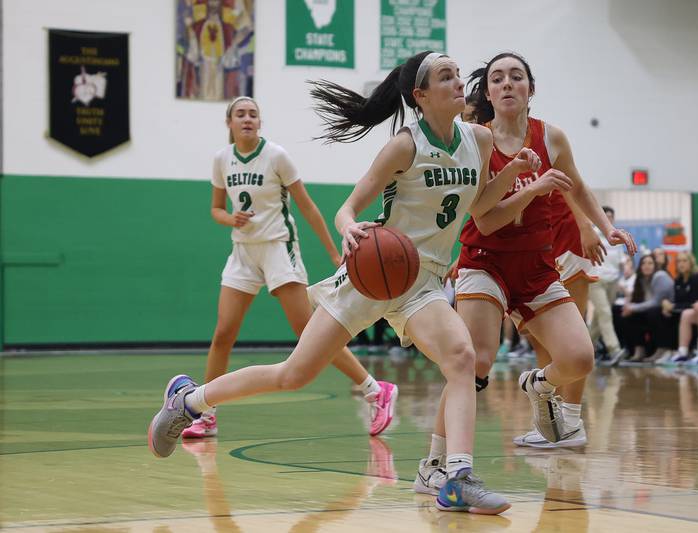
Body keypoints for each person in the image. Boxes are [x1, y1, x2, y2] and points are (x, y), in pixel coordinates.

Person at [148, 51, 524, 515]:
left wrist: (512, 175)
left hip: (423, 281)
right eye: (445, 77)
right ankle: (189, 400)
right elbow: (347, 208)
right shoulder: (404, 146)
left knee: (463, 359)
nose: (458, 82)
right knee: (294, 374)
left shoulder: (479, 140)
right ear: (421, 96)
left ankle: (452, 476)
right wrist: (348, 228)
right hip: (372, 274)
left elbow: (479, 207)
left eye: (458, 74)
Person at [413, 53, 634, 491]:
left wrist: (605, 227)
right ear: (488, 92)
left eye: (517, 77)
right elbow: (485, 219)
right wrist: (534, 187)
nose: (507, 84)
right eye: (497, 78)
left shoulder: (552, 137)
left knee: (579, 358)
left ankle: (538, 384)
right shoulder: (476, 139)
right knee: (475, 361)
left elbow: (577, 185)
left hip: (537, 266)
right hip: (486, 262)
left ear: (531, 89)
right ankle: (434, 463)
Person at [181, 96, 398, 440]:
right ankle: (206, 415)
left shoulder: (276, 156)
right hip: (243, 252)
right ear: (229, 123)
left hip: (279, 248)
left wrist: (333, 253)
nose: (248, 119)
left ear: (259, 122)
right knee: (223, 333)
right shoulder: (222, 159)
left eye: (253, 114)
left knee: (308, 331)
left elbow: (307, 206)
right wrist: (229, 219)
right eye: (241, 114)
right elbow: (216, 209)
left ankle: (375, 389)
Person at [588, 206, 627, 364]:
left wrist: (622, 281)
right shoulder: (592, 233)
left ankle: (586, 348)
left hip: (613, 281)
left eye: (611, 216)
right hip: (596, 280)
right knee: (605, 313)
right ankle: (614, 349)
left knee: (599, 317)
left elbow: (622, 262)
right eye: (606, 216)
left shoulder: (616, 236)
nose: (609, 219)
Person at [620, 254, 675, 363]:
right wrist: (630, 307)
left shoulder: (660, 276)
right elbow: (640, 302)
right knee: (628, 315)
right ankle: (638, 350)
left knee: (651, 313)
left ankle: (662, 349)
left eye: (650, 263)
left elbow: (656, 302)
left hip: (669, 311)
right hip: (653, 311)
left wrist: (632, 307)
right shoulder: (640, 280)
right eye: (644, 263)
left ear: (655, 265)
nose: (647, 266)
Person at [658, 251, 698, 364]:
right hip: (682, 310)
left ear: (691, 263)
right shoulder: (678, 280)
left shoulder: (697, 278)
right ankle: (666, 350)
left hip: (697, 312)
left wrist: (673, 306)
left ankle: (680, 351)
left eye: (684, 261)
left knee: (679, 316)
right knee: (659, 314)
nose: (681, 264)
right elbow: (677, 301)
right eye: (679, 261)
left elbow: (696, 302)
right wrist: (666, 305)